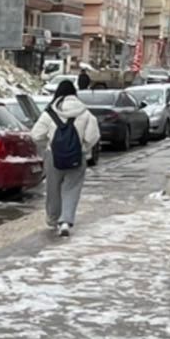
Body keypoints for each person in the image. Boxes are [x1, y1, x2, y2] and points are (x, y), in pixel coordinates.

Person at [39, 77, 100, 238]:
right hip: (76, 157)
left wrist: (48, 143)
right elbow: (93, 136)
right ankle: (65, 221)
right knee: (71, 189)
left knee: (53, 189)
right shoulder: (85, 113)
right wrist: (83, 148)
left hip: (53, 156)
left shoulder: (50, 112)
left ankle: (53, 218)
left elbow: (35, 134)